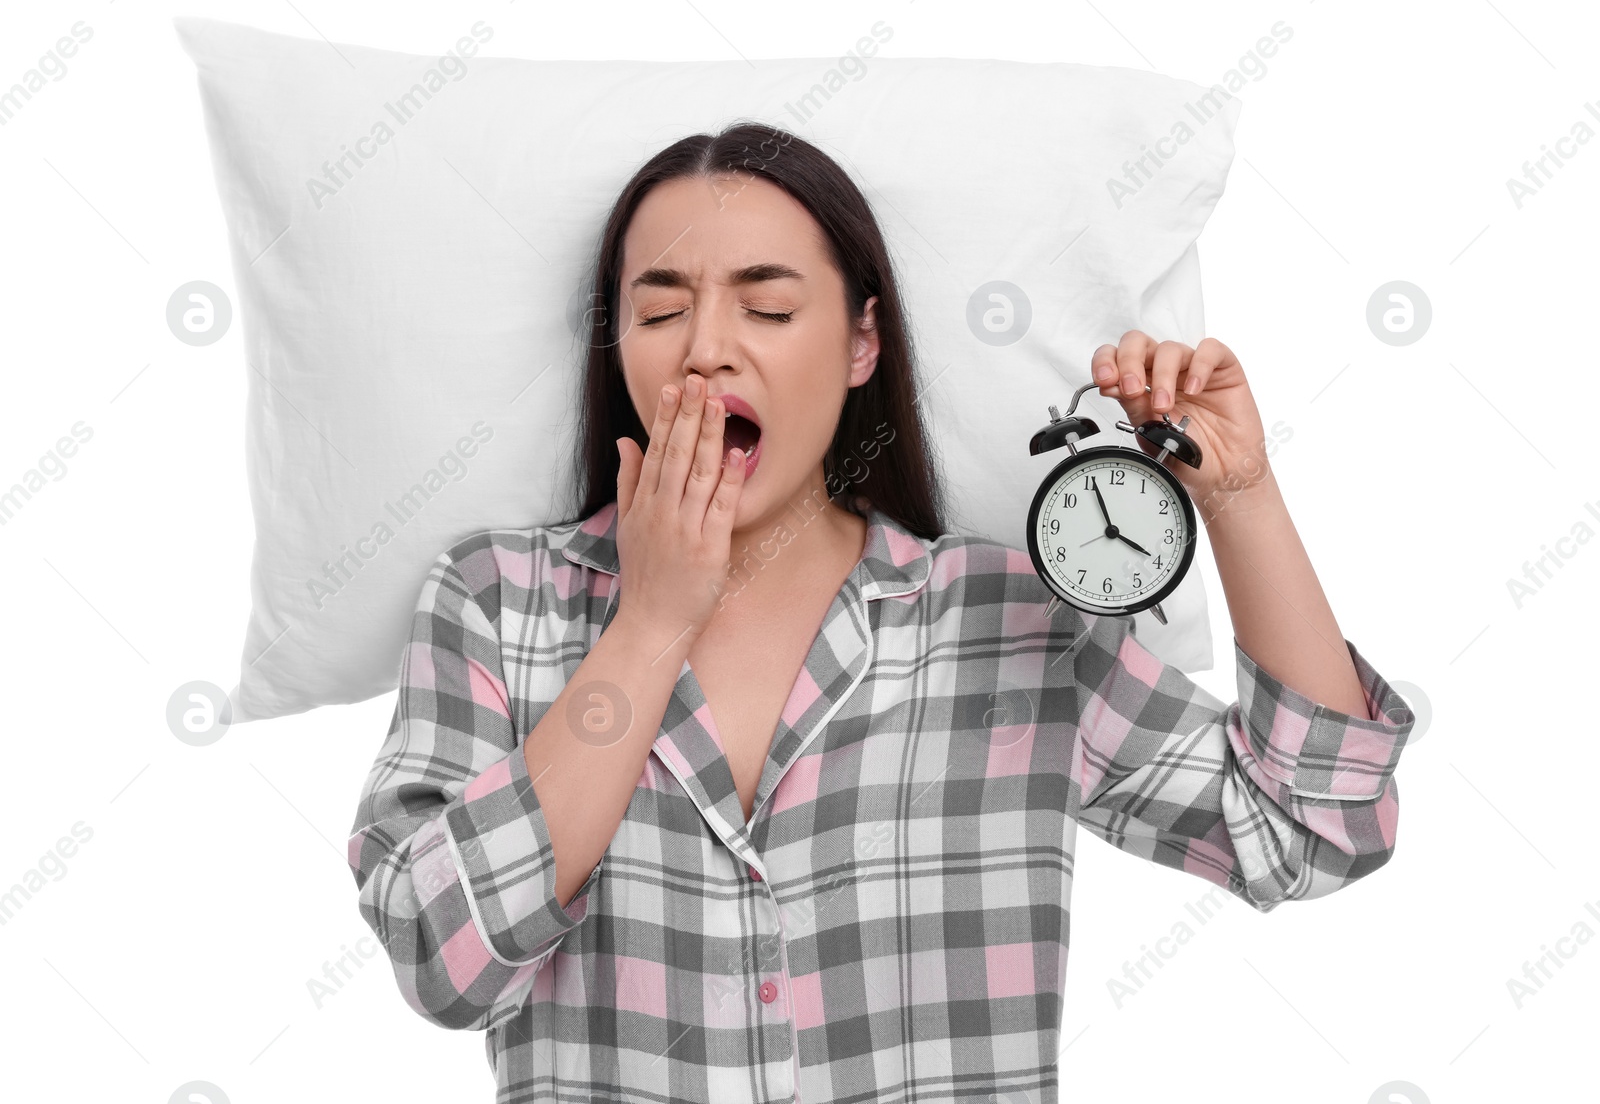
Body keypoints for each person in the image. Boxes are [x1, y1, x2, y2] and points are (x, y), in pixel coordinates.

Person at [347, 121, 1416, 1101]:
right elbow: (443, 962)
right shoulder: (495, 602)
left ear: (861, 344)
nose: (703, 347)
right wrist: (650, 621)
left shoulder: (1002, 624)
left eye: (767, 307)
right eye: (661, 310)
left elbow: (1309, 831)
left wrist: (1239, 495)